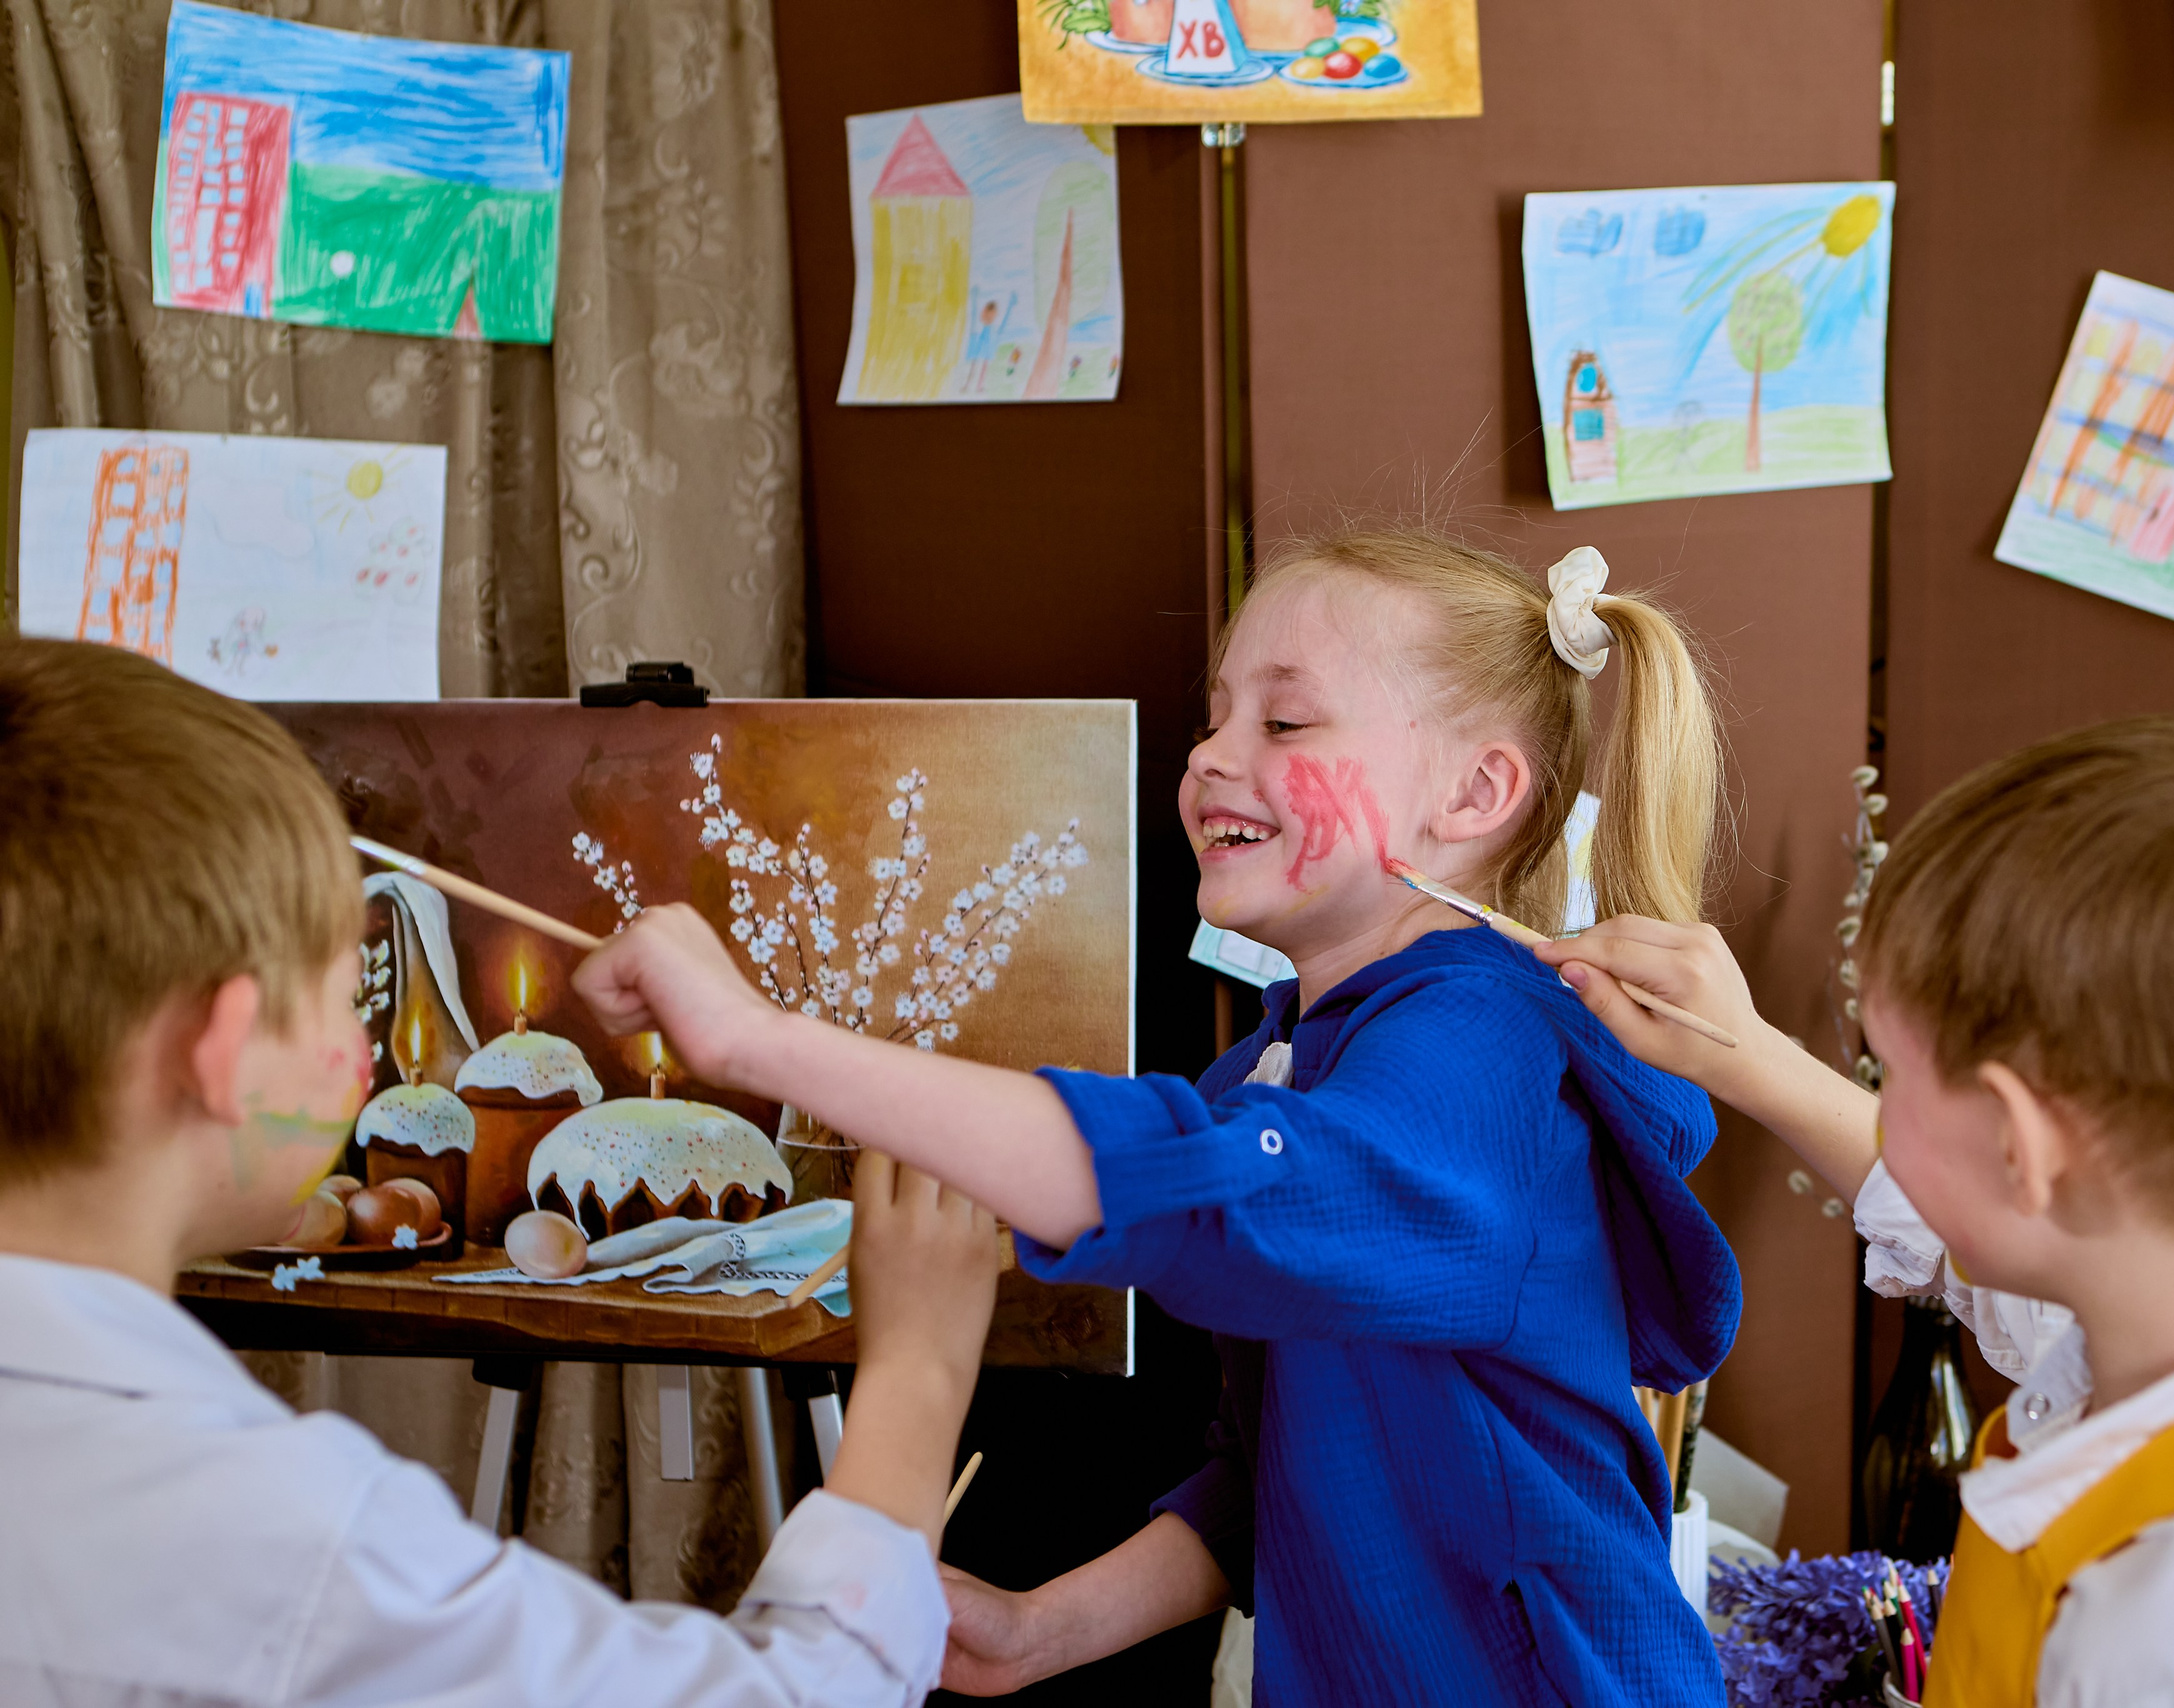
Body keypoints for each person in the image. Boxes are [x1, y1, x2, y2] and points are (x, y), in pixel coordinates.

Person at [574, 528, 1746, 1706]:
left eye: (1284, 725)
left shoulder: (1479, 1042)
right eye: (1216, 714)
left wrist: (760, 1040)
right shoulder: (1287, 1061)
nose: (1209, 758)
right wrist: (1041, 1629)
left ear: (1476, 792)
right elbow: (1280, 1468)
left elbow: (1223, 1190)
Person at [0, 637, 1003, 1708]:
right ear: (223, 1052)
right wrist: (917, 1375)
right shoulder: (287, 1543)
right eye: (347, 994)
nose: (361, 1044)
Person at [1535, 715, 2174, 1706]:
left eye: (1897, 1070)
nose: (1884, 1099)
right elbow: (1985, 1238)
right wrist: (1744, 1054)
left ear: (2019, 1143)